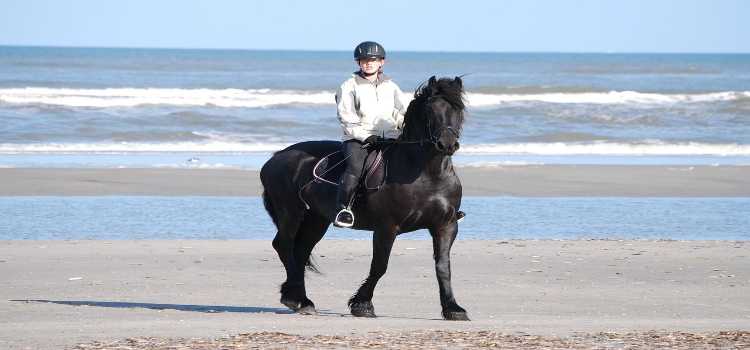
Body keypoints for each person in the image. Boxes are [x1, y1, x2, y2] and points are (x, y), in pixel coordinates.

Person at [333, 41, 408, 228]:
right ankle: (344, 209)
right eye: (364, 60)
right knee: (355, 169)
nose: (368, 63)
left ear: (382, 62)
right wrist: (365, 136)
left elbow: (402, 111)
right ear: (358, 63)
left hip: (390, 137)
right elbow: (346, 117)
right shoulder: (348, 86)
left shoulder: (390, 86)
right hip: (359, 140)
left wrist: (402, 129)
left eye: (373, 60)